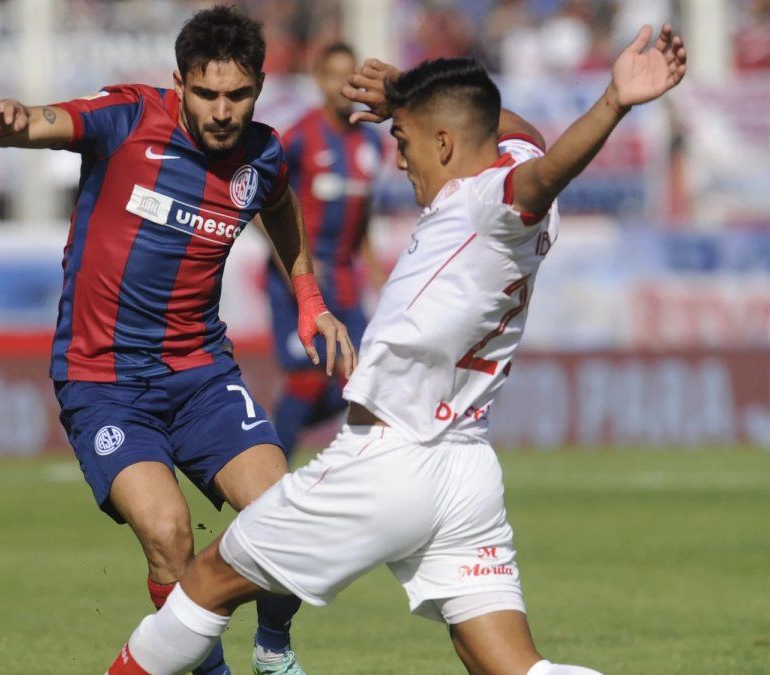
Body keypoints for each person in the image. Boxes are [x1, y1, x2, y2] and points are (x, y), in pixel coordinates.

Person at [104, 24, 687, 675]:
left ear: (444, 142)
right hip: (464, 470)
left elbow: (545, 174)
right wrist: (407, 95)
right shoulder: (500, 161)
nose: (398, 157)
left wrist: (613, 101)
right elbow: (522, 138)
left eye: (404, 139)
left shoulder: (491, 204)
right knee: (512, 665)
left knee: (208, 579)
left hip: (388, 458)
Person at [0, 6, 357, 674]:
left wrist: (310, 302)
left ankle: (273, 641)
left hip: (201, 375)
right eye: (206, 93)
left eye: (237, 95)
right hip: (104, 382)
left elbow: (283, 211)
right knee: (168, 530)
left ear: (258, 89)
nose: (222, 110)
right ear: (179, 84)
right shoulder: (128, 118)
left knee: (289, 521)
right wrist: (13, 123)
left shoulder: (262, 157)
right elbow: (47, 121)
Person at [267, 42, 385, 460]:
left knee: (365, 375)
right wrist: (292, 273)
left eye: (349, 76)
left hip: (345, 278)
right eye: (333, 75)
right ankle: (267, 477)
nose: (342, 85)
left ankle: (278, 435)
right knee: (307, 376)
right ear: (319, 80)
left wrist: (373, 268)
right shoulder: (298, 137)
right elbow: (265, 209)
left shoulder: (371, 142)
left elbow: (364, 212)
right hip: (298, 278)